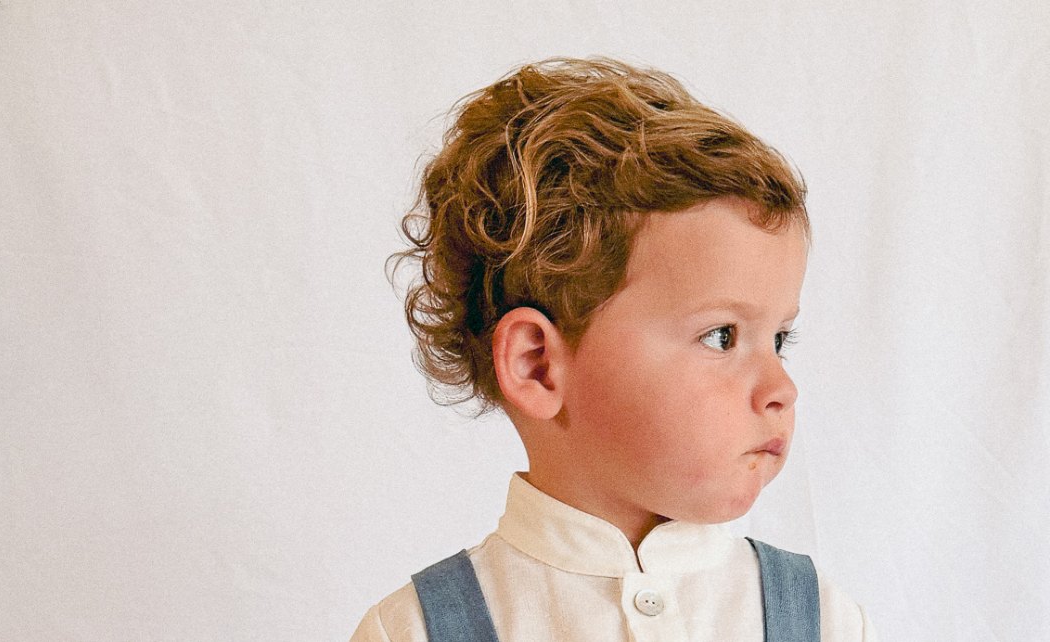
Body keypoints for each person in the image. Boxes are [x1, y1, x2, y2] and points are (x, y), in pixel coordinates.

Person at [350, 57, 876, 642]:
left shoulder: (824, 619)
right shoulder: (413, 631)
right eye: (721, 336)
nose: (782, 388)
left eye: (779, 339)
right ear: (537, 366)